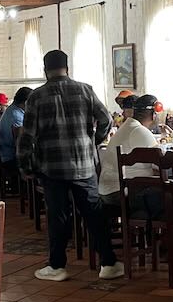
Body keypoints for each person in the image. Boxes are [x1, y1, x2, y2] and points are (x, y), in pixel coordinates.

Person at [18, 50, 122, 282]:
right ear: (68, 67)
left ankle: (57, 266)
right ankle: (108, 263)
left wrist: (25, 166)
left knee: (58, 217)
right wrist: (93, 141)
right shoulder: (85, 90)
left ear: (45, 70)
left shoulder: (36, 96)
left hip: (51, 168)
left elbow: (27, 137)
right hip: (84, 166)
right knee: (93, 214)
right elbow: (105, 119)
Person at [99, 94, 165, 219]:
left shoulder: (127, 126)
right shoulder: (140, 131)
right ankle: (165, 236)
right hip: (119, 193)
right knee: (172, 197)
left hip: (109, 189)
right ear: (153, 115)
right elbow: (161, 164)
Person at [0, 86, 31, 192]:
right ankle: (32, 193)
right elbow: (21, 144)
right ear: (26, 102)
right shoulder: (17, 117)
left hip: (4, 156)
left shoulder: (11, 110)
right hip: (11, 159)